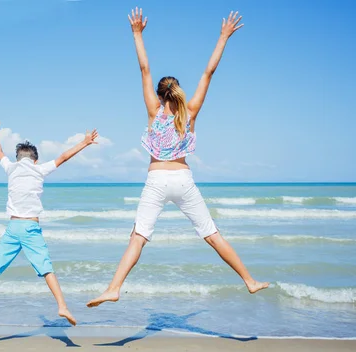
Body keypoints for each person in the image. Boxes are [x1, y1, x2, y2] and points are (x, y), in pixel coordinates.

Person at [87, 9, 269, 308]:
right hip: (183, 180)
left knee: (138, 237)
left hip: (156, 179)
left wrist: (136, 33)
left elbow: (144, 69)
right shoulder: (190, 111)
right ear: (178, 92)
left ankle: (114, 288)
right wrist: (223, 37)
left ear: (160, 96)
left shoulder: (153, 111)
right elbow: (208, 73)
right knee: (211, 234)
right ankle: (249, 280)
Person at [0, 115, 99, 325]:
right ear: (35, 160)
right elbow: (63, 157)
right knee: (46, 268)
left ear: (18, 159)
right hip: (31, 228)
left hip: (13, 227)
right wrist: (85, 142)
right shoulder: (39, 169)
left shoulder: (10, 168)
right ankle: (62, 306)